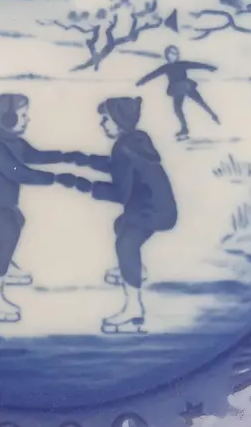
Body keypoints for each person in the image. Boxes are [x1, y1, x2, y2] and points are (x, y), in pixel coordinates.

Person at [59, 97, 178, 334]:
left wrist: (83, 185)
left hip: (150, 211)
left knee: (125, 244)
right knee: (121, 225)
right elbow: (117, 167)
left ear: (119, 121)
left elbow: (121, 194)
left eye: (106, 119)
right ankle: (134, 269)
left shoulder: (123, 148)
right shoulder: (135, 141)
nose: (102, 124)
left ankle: (134, 309)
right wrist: (83, 160)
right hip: (159, 207)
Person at [0, 93, 86, 321]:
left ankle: (7, 265)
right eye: (23, 115)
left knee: (18, 222)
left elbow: (35, 156)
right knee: (9, 236)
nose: (27, 120)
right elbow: (19, 173)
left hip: (3, 200)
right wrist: (54, 178)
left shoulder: (16, 143)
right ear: (8, 118)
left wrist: (65, 157)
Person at [137, 45, 219, 140]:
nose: (173, 56)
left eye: (175, 54)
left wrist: (210, 67)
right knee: (178, 108)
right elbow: (154, 74)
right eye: (171, 54)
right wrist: (142, 81)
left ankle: (213, 116)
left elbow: (196, 65)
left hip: (184, 87)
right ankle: (185, 128)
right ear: (167, 56)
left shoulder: (181, 64)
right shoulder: (167, 67)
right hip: (179, 88)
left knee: (200, 102)